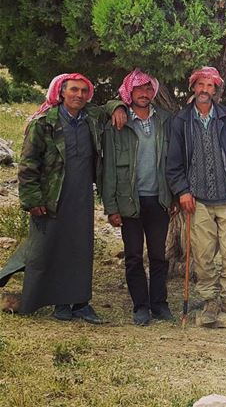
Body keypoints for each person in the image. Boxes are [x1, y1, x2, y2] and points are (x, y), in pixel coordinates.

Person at [0, 73, 125, 322]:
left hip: (81, 196)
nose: (79, 95)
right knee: (49, 249)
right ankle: (59, 304)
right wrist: (33, 201)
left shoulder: (90, 117)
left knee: (80, 249)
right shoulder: (44, 123)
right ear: (62, 93)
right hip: (51, 198)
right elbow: (27, 166)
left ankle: (80, 303)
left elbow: (110, 104)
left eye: (83, 91)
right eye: (73, 90)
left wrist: (119, 106)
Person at [166, 66, 226, 325]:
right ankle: (210, 301)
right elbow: (174, 163)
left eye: (210, 86)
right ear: (193, 87)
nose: (204, 90)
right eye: (200, 84)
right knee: (201, 254)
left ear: (216, 90)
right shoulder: (182, 120)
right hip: (197, 200)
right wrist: (182, 191)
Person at [101, 69, 175, 326]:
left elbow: (173, 163)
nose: (144, 94)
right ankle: (140, 306)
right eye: (138, 89)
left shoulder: (164, 120)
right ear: (129, 92)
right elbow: (108, 167)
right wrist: (111, 206)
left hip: (158, 199)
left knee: (158, 256)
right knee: (133, 256)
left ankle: (159, 304)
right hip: (129, 201)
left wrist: (173, 198)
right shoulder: (117, 122)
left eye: (148, 89)